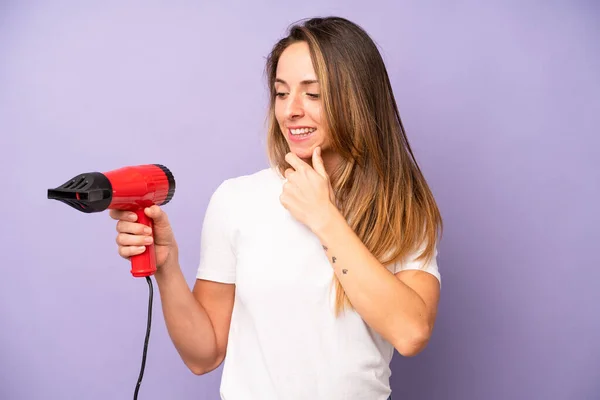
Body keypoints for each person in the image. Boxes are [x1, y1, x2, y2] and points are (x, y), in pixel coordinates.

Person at [110, 16, 442, 400]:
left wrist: (324, 217)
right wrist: (167, 267)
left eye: (312, 94)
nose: (290, 111)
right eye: (282, 93)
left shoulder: (400, 207)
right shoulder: (237, 200)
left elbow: (410, 332)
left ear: (357, 98)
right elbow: (204, 355)